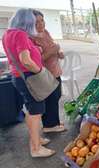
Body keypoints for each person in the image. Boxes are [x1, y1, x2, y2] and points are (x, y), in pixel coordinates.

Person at [2, 8, 55, 157]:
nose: (35, 24)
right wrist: (40, 71)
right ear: (27, 22)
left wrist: (35, 49)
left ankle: (36, 140)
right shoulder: (20, 34)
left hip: (19, 77)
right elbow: (26, 60)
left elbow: (19, 55)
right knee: (35, 112)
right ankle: (36, 149)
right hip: (29, 77)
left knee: (31, 110)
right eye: (33, 21)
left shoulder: (8, 33)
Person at [31, 10, 66, 133]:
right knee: (50, 98)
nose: (41, 24)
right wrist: (52, 51)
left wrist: (58, 52)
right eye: (36, 22)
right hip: (45, 74)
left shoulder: (45, 32)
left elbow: (53, 46)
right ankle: (49, 126)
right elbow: (35, 60)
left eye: (42, 20)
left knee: (56, 96)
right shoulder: (31, 38)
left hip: (55, 70)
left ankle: (53, 121)